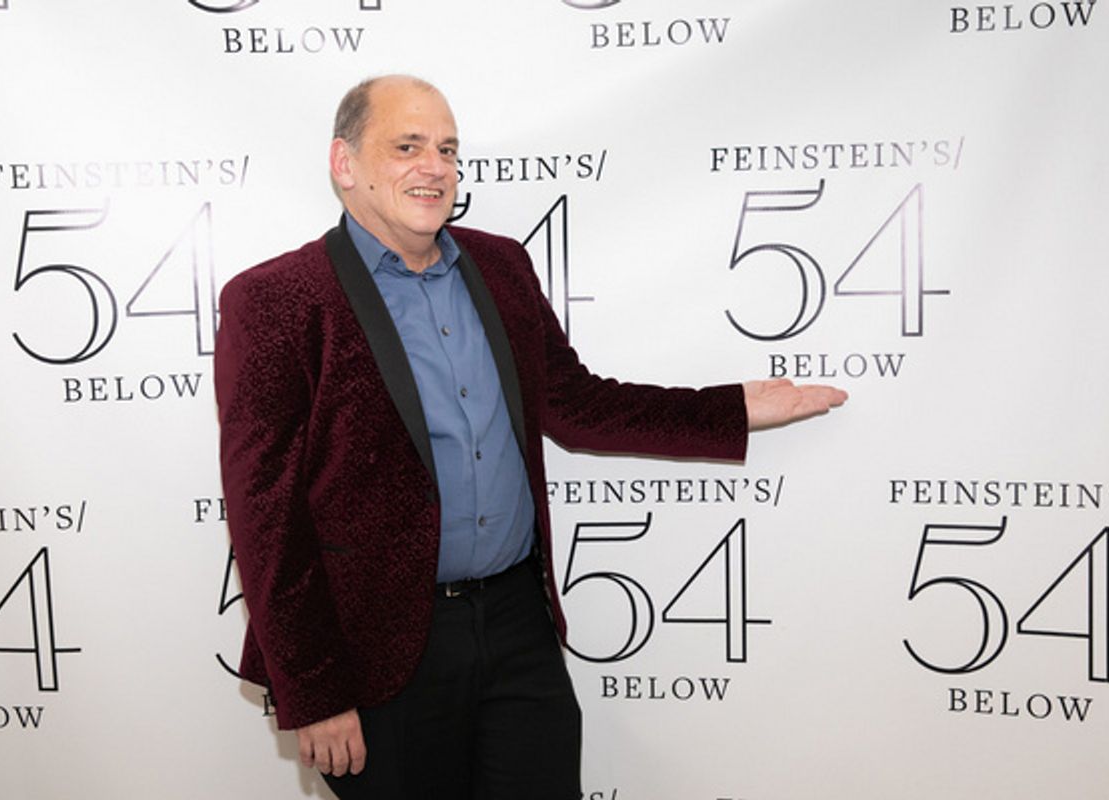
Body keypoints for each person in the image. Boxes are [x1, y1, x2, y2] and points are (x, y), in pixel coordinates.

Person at [214, 74, 847, 800]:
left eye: (448, 150)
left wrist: (730, 409)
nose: (435, 167)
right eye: (407, 146)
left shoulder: (500, 266)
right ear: (345, 163)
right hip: (379, 648)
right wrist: (315, 691)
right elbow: (265, 514)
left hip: (518, 624)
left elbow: (575, 402)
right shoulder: (274, 301)